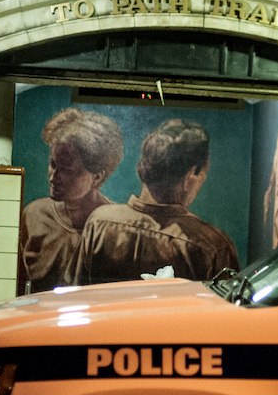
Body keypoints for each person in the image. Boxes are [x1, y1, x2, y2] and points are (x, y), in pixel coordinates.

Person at [73, 118, 239, 285]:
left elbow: (75, 292)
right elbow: (231, 306)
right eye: (204, 172)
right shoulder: (212, 247)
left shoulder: (100, 222)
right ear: (189, 177)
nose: (204, 178)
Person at [18, 108, 123, 292]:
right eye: (53, 164)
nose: (53, 176)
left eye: (67, 170)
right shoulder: (35, 215)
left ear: (97, 177)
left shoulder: (116, 227)